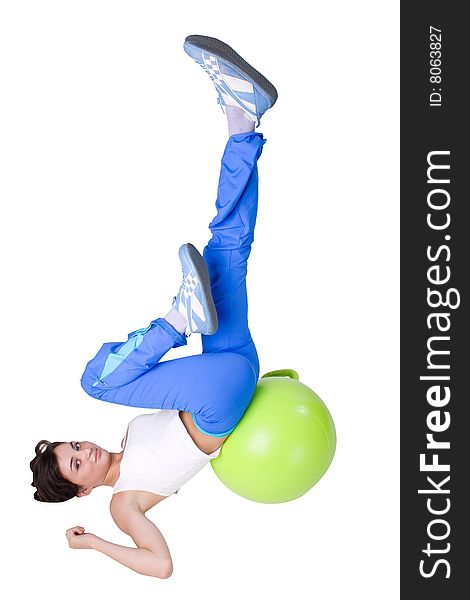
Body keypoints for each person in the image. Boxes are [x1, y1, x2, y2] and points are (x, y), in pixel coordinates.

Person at [30, 34, 277, 579]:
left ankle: (242, 118)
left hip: (230, 367)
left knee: (224, 247)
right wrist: (95, 542)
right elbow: (160, 565)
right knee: (97, 384)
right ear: (82, 490)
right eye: (76, 463)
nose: (84, 449)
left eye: (75, 445)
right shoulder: (123, 504)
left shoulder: (126, 440)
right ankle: (178, 318)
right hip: (217, 406)